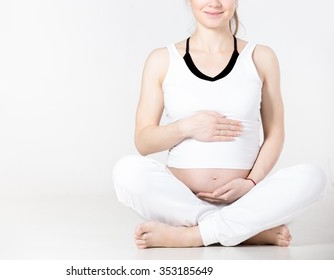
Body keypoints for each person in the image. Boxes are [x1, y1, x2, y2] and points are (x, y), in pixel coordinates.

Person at [113, 0, 326, 248]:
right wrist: (187, 127)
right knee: (126, 171)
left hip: (245, 199)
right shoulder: (162, 59)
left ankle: (191, 235)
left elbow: (275, 133)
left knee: (314, 178)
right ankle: (243, 230)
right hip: (182, 199)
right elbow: (144, 141)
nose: (214, 3)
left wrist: (251, 183)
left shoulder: (261, 56)